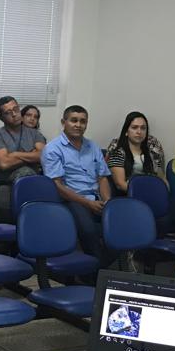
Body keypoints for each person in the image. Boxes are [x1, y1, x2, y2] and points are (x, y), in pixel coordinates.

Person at [42, 106, 114, 268]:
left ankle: (96, 270)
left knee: (121, 225)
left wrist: (108, 202)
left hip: (96, 198)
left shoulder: (93, 146)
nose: (78, 125)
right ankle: (96, 274)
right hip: (70, 200)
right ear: (64, 122)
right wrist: (88, 203)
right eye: (74, 120)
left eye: (83, 121)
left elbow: (102, 177)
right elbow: (57, 186)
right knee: (89, 230)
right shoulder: (53, 148)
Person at [0, 95, 46, 222]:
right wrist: (31, 154)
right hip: (7, 183)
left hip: (33, 182)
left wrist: (14, 155)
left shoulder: (34, 133)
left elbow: (43, 155)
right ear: (1, 118)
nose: (14, 114)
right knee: (25, 171)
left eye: (16, 109)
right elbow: (4, 163)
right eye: (8, 112)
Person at [107, 111, 166, 193]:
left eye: (143, 128)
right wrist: (145, 193)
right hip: (130, 195)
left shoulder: (152, 151)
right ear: (126, 131)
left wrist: (165, 191)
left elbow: (161, 178)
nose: (139, 132)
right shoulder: (117, 153)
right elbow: (120, 184)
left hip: (152, 191)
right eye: (134, 127)